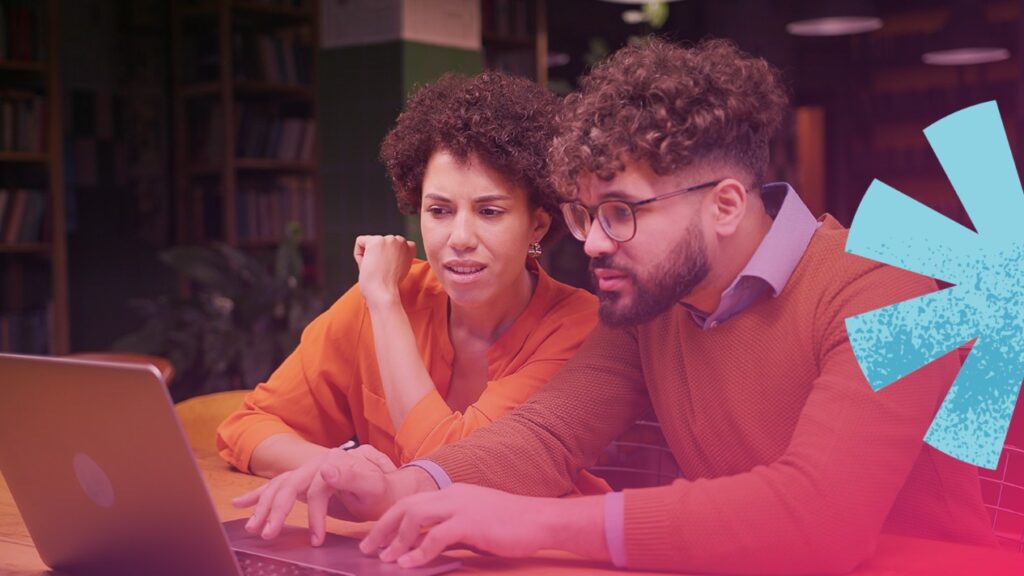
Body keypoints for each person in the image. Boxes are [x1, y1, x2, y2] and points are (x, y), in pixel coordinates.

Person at [250, 38, 998, 573]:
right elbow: (544, 437)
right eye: (582, 214)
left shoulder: (891, 289)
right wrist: (402, 485)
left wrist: (533, 522)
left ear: (727, 204)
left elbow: (820, 521)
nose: (594, 243)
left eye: (620, 212)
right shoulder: (653, 306)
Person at [219, 71, 610, 543]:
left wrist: (385, 306)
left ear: (537, 226)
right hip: (398, 549)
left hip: (530, 557)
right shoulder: (394, 291)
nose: (458, 239)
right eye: (439, 210)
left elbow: (449, 467)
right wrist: (335, 467)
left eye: (489, 212)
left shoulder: (576, 324)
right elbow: (247, 427)